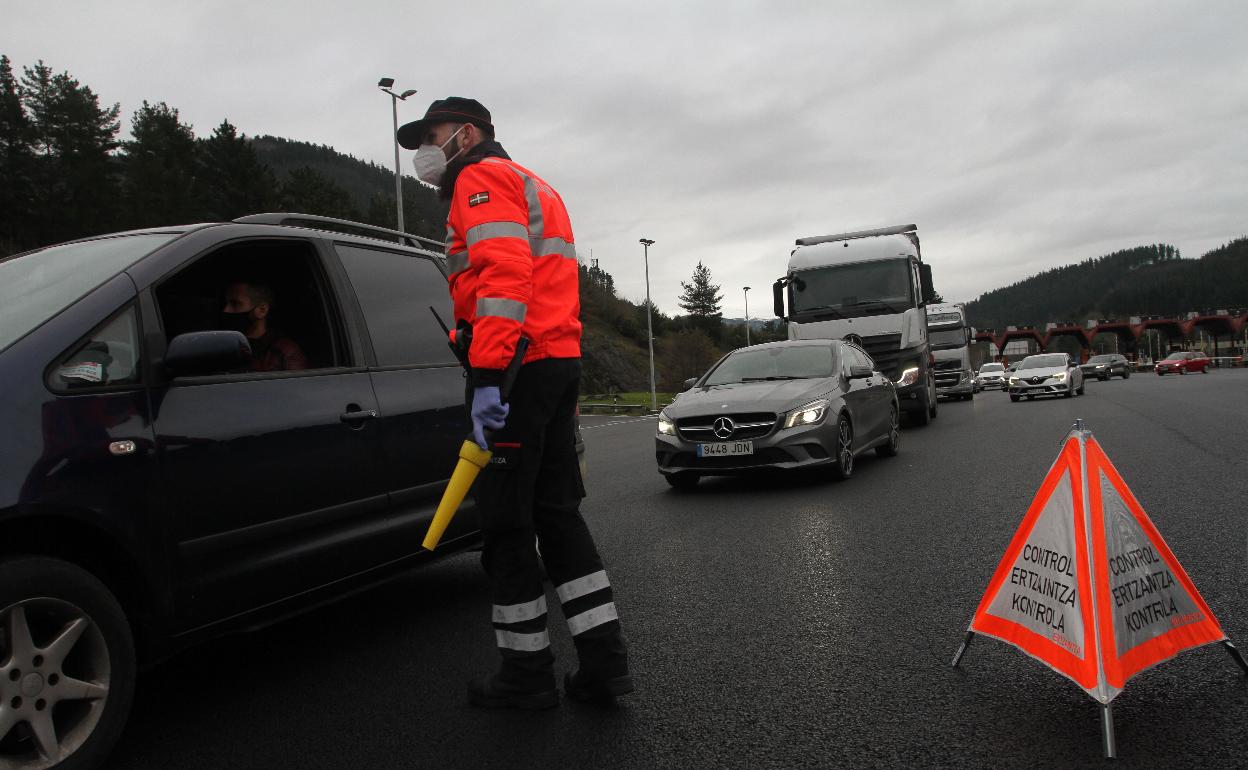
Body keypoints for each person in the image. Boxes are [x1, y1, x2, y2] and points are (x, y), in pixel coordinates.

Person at [398, 97, 631, 709]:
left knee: (505, 524)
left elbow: (503, 279)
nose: (426, 148)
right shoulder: (536, 185)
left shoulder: (478, 178)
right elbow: (552, 284)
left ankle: (525, 676)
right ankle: (604, 664)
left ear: (466, 134)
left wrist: (490, 376)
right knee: (558, 514)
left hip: (515, 368)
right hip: (555, 361)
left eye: (433, 133)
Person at [220, 280, 308, 372]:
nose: (226, 310)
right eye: (225, 304)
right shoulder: (225, 345)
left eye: (235, 304)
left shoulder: (284, 351)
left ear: (262, 310)